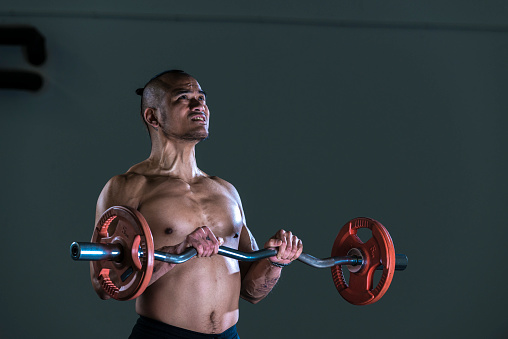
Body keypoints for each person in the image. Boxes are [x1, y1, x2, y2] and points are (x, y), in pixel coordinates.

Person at [92, 70, 304, 339]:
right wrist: (176, 253)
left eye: (201, 98)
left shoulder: (226, 191)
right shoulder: (129, 187)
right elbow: (104, 284)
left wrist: (275, 262)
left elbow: (252, 293)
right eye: (183, 98)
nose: (198, 105)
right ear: (152, 116)